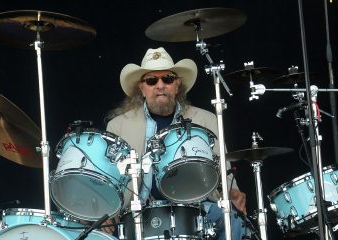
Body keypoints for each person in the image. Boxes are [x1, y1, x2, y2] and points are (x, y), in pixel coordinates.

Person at [105, 47, 248, 239]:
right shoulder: (119, 125)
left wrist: (233, 192)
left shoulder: (206, 119)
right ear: (141, 87)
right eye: (151, 80)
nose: (160, 85)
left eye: (168, 79)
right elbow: (108, 178)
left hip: (196, 209)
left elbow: (223, 168)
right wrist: (105, 209)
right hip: (138, 212)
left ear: (177, 84)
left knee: (232, 218)